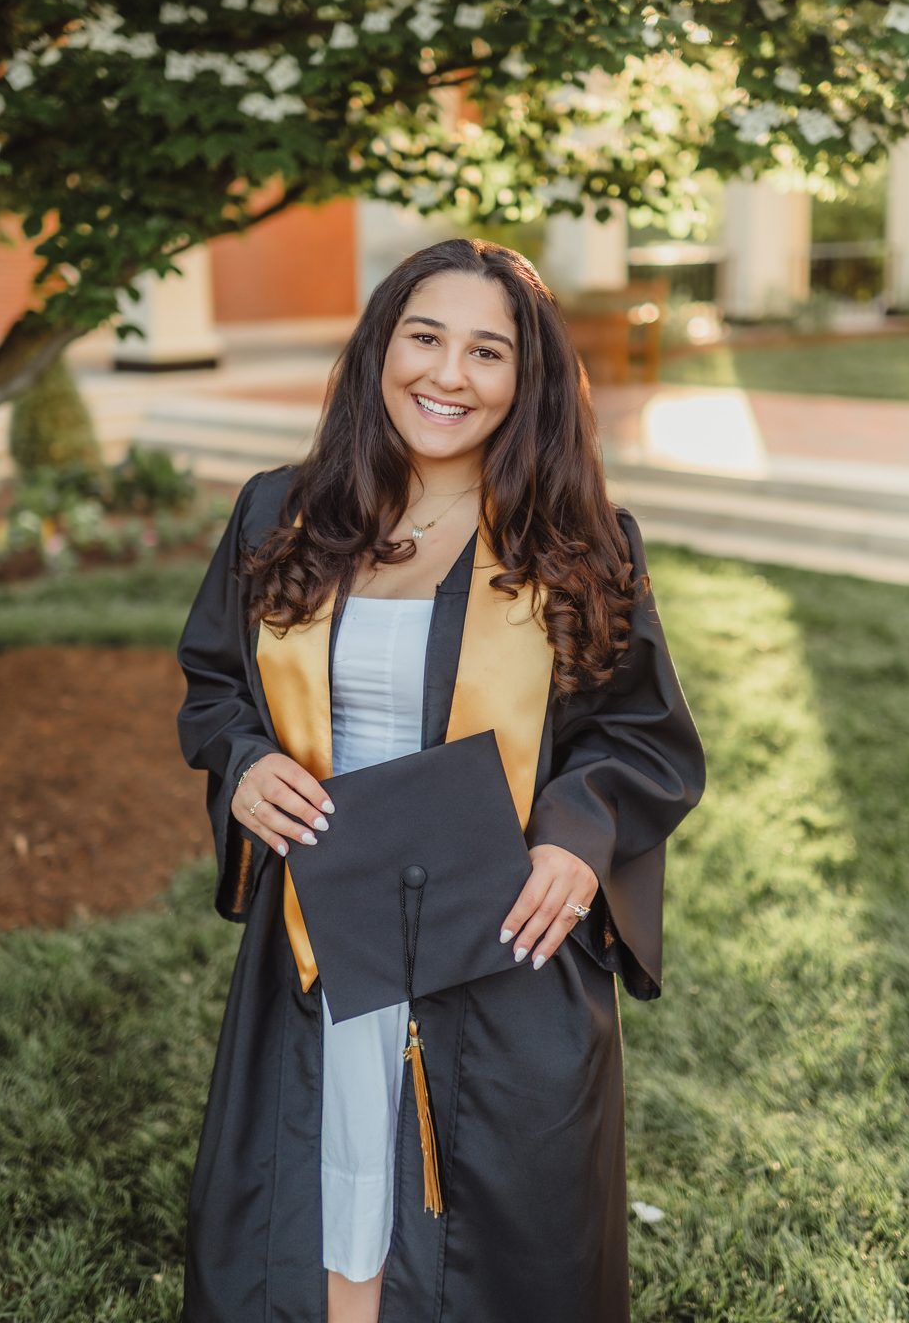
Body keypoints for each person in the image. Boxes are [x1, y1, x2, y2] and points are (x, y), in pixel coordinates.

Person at [175, 237, 707, 1323]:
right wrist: (245, 762)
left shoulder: (576, 546)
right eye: (424, 338)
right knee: (321, 1185)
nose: (448, 375)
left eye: (487, 351)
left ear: (528, 378)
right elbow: (217, 684)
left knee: (489, 1232)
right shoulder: (283, 514)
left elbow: (639, 733)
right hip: (323, 923)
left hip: (499, 936)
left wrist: (576, 835)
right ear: (381, 348)